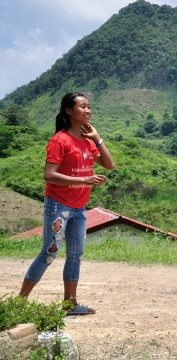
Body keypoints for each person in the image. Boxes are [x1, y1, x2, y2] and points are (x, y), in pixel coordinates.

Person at [18, 93, 114, 316]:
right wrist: (84, 180)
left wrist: (97, 138)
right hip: (58, 205)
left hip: (79, 208)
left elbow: (109, 165)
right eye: (83, 107)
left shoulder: (87, 142)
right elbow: (49, 175)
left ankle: (70, 305)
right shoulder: (59, 141)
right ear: (69, 111)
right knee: (49, 253)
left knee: (75, 255)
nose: (88, 110)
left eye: (89, 107)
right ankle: (19, 303)